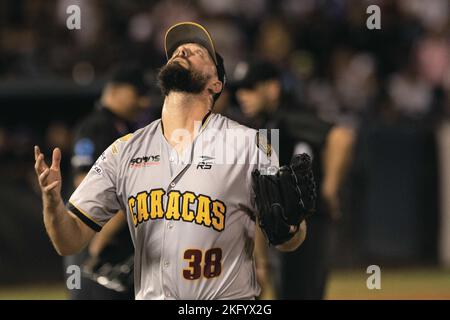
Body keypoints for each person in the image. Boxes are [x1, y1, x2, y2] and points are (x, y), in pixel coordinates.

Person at [33, 22, 309, 300]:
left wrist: (290, 229)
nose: (183, 49)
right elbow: (68, 241)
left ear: (216, 83)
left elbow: (291, 238)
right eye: (177, 50)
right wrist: (52, 203)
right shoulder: (123, 151)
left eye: (199, 52)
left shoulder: (254, 145)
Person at [235, 60, 354, 299]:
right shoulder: (265, 125)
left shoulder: (288, 117)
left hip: (307, 225)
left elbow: (342, 136)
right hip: (284, 228)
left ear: (273, 88)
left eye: (251, 88)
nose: (242, 96)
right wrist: (261, 260)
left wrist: (329, 189)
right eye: (240, 89)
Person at [65, 64, 153, 300]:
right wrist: (98, 241)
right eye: (138, 94)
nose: (144, 102)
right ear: (115, 90)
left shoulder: (124, 127)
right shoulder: (96, 126)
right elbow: (85, 186)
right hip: (95, 239)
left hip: (114, 243)